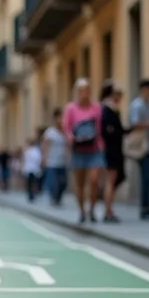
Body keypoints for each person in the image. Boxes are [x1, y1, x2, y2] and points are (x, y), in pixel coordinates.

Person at [63, 78, 105, 224]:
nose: (84, 93)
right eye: (81, 90)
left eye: (86, 90)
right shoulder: (70, 108)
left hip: (94, 149)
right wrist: (71, 138)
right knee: (79, 183)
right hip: (78, 150)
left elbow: (100, 128)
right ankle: (81, 211)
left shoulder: (96, 108)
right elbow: (66, 128)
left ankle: (92, 210)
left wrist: (100, 143)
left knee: (93, 180)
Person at [127, 78, 149, 220]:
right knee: (146, 178)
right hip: (142, 147)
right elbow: (135, 124)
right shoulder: (137, 105)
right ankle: (145, 209)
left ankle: (147, 207)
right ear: (143, 89)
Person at [97, 81, 126, 223]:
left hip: (115, 149)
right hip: (111, 150)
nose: (120, 96)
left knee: (115, 179)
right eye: (118, 93)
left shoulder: (112, 109)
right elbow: (106, 130)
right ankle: (107, 211)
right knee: (111, 180)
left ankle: (108, 209)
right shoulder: (107, 109)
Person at [41, 112, 68, 206]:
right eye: (59, 118)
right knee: (53, 182)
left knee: (63, 183)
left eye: (62, 118)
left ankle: (58, 198)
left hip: (62, 162)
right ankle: (54, 198)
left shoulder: (65, 132)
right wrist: (44, 159)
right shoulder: (49, 132)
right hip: (51, 162)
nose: (61, 121)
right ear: (55, 119)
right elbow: (45, 146)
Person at [22, 137, 43, 202]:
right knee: (30, 183)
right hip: (29, 169)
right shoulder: (27, 151)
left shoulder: (35, 150)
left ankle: (33, 194)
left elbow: (38, 159)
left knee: (32, 183)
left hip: (33, 169)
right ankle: (30, 195)